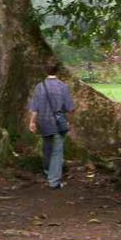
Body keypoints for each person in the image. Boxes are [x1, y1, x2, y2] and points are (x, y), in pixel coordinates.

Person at [28, 60, 75, 189]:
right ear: (57, 70)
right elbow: (70, 108)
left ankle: (48, 172)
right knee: (57, 152)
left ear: (45, 70)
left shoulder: (40, 86)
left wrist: (32, 122)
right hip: (57, 123)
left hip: (43, 122)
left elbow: (34, 107)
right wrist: (68, 121)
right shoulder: (63, 87)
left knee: (47, 148)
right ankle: (54, 181)